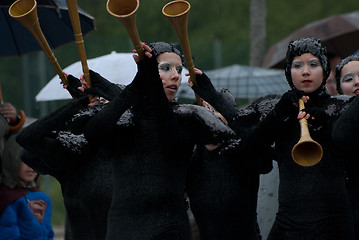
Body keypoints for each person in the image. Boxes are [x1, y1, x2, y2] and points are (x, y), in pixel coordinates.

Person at [83, 41, 234, 240]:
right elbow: (92, 132)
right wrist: (132, 84)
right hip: (124, 229)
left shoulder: (188, 117)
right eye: (165, 68)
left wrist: (212, 95)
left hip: (170, 229)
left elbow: (167, 126)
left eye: (179, 70)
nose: (176, 75)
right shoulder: (125, 119)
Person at [246, 37, 355, 239]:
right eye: (297, 65)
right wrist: (278, 114)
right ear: (288, 72)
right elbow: (248, 150)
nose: (305, 71)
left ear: (325, 70)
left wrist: (327, 124)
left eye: (313, 64)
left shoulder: (341, 107)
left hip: (335, 225)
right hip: (288, 225)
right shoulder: (277, 107)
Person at [15, 72, 122, 240]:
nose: (99, 106)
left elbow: (136, 110)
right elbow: (26, 139)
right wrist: (78, 104)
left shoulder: (130, 150)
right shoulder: (72, 153)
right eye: (96, 101)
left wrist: (110, 94)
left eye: (105, 102)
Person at [0, 130, 54, 240]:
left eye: (34, 160)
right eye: (25, 160)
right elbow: (9, 234)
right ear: (12, 161)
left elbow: (48, 232)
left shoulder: (43, 197)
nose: (31, 166)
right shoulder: (7, 198)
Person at [331, 54, 359, 239]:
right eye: (349, 79)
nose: (357, 82)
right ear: (339, 87)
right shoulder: (332, 115)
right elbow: (341, 136)